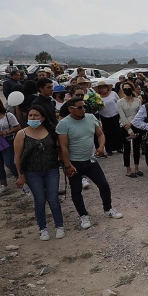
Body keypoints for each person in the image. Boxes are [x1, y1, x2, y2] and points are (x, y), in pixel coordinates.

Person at [57, 97, 123, 228]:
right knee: (76, 190)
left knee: (103, 185)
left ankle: (108, 209)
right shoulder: (64, 124)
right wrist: (67, 165)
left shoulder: (91, 118)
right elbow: (62, 147)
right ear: (71, 109)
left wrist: (101, 147)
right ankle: (83, 215)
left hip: (90, 160)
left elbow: (100, 134)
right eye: (80, 107)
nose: (83, 110)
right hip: (74, 162)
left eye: (84, 107)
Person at [14, 105, 64, 241]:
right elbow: (18, 157)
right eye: (30, 115)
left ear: (42, 117)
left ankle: (59, 226)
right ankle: (43, 228)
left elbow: (59, 149)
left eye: (36, 115)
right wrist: (21, 175)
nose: (33, 118)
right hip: (32, 172)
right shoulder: (21, 134)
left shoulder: (51, 131)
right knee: (40, 200)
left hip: (51, 169)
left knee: (53, 198)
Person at [116, 80, 144, 178]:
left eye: (128, 88)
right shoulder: (120, 102)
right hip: (124, 127)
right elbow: (122, 117)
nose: (127, 90)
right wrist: (129, 130)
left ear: (132, 89)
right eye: (125, 89)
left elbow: (140, 114)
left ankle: (137, 167)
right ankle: (128, 169)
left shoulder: (138, 100)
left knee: (137, 148)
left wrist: (133, 124)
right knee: (127, 148)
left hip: (136, 125)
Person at [94, 81, 121, 156]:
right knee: (107, 133)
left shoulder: (113, 94)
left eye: (103, 88)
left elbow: (119, 102)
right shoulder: (97, 97)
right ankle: (109, 149)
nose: (102, 90)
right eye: (100, 88)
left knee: (117, 131)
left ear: (107, 88)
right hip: (104, 116)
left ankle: (119, 147)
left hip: (115, 115)